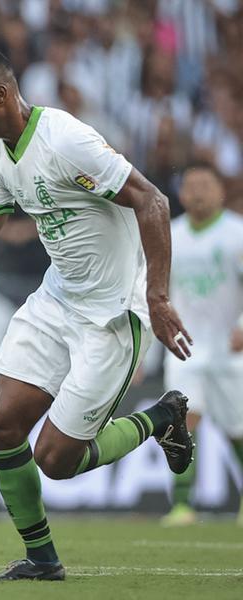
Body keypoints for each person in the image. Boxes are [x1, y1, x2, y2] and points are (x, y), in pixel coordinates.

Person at [0, 46, 194, 581]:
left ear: (1, 95)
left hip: (111, 313)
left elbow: (153, 203)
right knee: (1, 427)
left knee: (55, 460)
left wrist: (159, 298)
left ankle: (162, 419)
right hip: (57, 300)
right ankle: (42, 560)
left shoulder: (66, 141)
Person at [159, 163, 243, 527]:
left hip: (230, 348)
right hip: (185, 348)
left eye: (205, 185)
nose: (197, 192)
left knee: (236, 429)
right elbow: (156, 293)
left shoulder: (237, 234)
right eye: (191, 185)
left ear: (221, 191)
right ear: (181, 194)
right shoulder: (170, 236)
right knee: (179, 421)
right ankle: (181, 505)